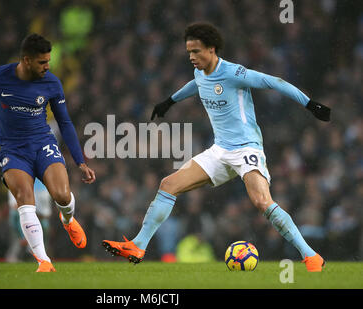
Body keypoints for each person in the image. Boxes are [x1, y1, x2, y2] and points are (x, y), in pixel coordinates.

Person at [102, 22, 330, 272]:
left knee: (262, 202)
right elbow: (196, 84)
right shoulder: (200, 72)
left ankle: (310, 256)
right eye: (189, 52)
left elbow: (274, 81)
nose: (191, 57)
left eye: (196, 51)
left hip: (247, 149)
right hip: (219, 150)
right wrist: (170, 101)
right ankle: (138, 245)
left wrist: (310, 104)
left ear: (212, 50)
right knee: (168, 185)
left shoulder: (234, 73)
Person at [0, 33, 96, 272]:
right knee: (25, 201)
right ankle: (44, 261)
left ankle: (67, 219)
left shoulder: (52, 83)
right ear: (26, 60)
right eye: (42, 62)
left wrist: (80, 162)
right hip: (13, 150)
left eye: (48, 61)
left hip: (42, 143)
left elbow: (65, 123)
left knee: (62, 196)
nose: (48, 66)